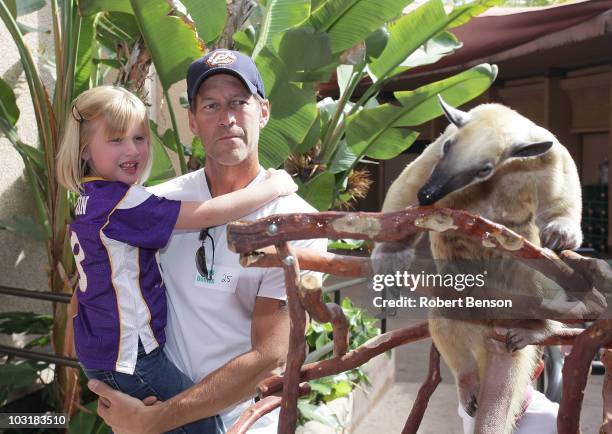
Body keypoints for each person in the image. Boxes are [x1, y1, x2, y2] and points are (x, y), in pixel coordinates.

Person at [87, 50, 326, 433]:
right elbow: (98, 289)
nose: (227, 118)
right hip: (152, 400)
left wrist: (153, 421)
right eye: (211, 105)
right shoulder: (158, 203)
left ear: (263, 112)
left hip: (242, 421)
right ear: (193, 121)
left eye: (238, 103)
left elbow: (268, 356)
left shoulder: (297, 224)